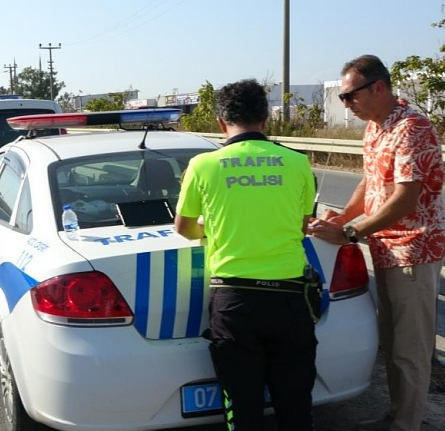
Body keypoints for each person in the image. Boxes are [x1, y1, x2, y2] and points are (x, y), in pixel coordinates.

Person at [309, 55, 445, 431]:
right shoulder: (375, 128)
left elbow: (405, 198)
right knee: (391, 344)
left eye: (349, 95)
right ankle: (396, 416)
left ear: (378, 88)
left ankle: (407, 424)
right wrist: (343, 217)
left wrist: (351, 233)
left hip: (412, 253)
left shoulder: (412, 128)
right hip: (385, 250)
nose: (346, 103)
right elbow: (370, 182)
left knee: (410, 351)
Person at [175, 79, 317, 430]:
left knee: (242, 406)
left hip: (234, 301)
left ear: (222, 122)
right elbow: (302, 225)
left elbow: (184, 226)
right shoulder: (298, 162)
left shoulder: (203, 165)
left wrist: (214, 231)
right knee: (295, 405)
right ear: (265, 118)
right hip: (290, 299)